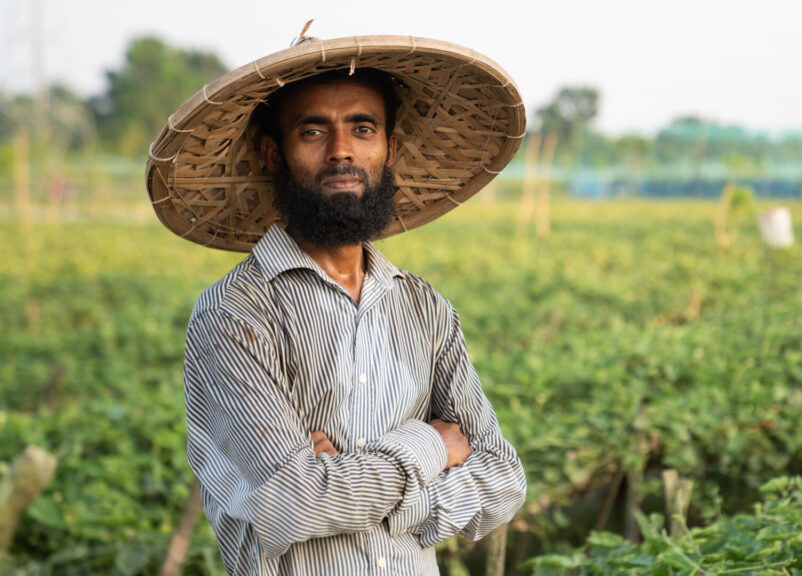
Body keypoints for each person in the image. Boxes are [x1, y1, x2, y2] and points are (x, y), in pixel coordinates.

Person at [146, 35, 528, 575]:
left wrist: (353, 483)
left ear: (388, 149)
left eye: (362, 128)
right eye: (313, 131)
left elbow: (504, 477)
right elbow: (292, 500)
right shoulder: (235, 314)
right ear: (274, 152)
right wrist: (428, 446)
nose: (341, 150)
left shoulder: (424, 310)